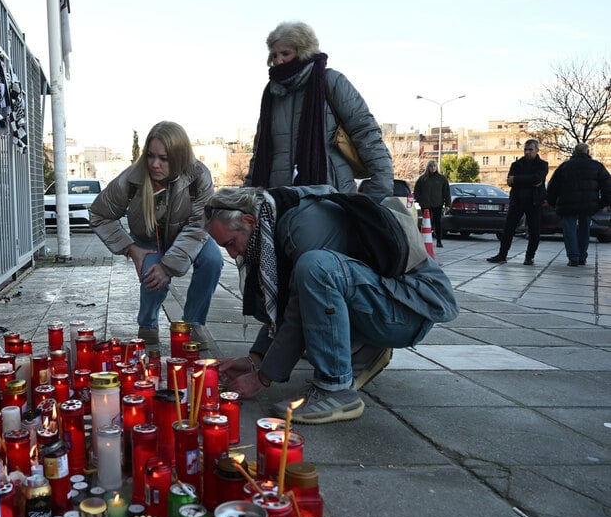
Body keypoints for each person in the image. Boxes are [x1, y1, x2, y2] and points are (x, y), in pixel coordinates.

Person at [206, 185, 459, 424]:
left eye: (230, 243)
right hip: (392, 302)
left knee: (315, 268)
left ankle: (335, 388)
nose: (232, 254)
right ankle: (367, 349)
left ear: (249, 221)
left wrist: (262, 377)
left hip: (410, 312)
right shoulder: (274, 217)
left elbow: (299, 311)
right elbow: (284, 305)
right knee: (305, 277)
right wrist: (256, 358)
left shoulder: (300, 225)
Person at [89, 121, 223, 349]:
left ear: (179, 156)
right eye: (150, 156)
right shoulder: (132, 177)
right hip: (148, 239)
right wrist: (131, 248)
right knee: (152, 272)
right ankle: (148, 323)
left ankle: (193, 324)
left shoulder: (199, 176)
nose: (154, 164)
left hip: (190, 232)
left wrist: (168, 267)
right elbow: (99, 214)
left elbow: (198, 226)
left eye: (164, 158)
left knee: (213, 260)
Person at [245, 21, 395, 202]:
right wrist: (247, 195)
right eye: (274, 55)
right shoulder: (272, 94)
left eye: (285, 53)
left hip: (332, 197)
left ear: (304, 52)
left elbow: (365, 132)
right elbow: (259, 152)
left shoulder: (331, 81)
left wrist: (380, 186)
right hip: (280, 200)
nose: (278, 60)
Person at [545, 143, 611, 267]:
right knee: (584, 229)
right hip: (588, 204)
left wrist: (552, 202)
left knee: (569, 230)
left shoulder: (565, 166)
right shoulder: (597, 166)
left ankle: (573, 257)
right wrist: (603, 202)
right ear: (588, 152)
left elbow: (553, 186)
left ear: (574, 152)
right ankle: (582, 256)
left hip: (567, 204)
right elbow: (607, 186)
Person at [487, 139, 548, 265]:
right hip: (517, 201)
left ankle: (529, 257)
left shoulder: (542, 164)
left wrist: (517, 179)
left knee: (534, 231)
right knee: (508, 229)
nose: (527, 152)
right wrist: (527, 180)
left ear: (537, 150)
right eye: (525, 149)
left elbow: (537, 179)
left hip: (534, 201)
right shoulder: (517, 164)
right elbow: (510, 181)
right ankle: (502, 255)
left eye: (530, 149)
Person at [413, 160, 451, 247]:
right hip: (425, 204)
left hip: (438, 204)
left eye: (434, 166)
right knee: (426, 222)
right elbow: (416, 191)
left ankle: (439, 241)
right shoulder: (422, 179)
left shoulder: (442, 179)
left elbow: (446, 192)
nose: (433, 168)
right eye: (431, 166)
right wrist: (419, 200)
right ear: (428, 167)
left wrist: (447, 204)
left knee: (438, 222)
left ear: (436, 167)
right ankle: (425, 240)